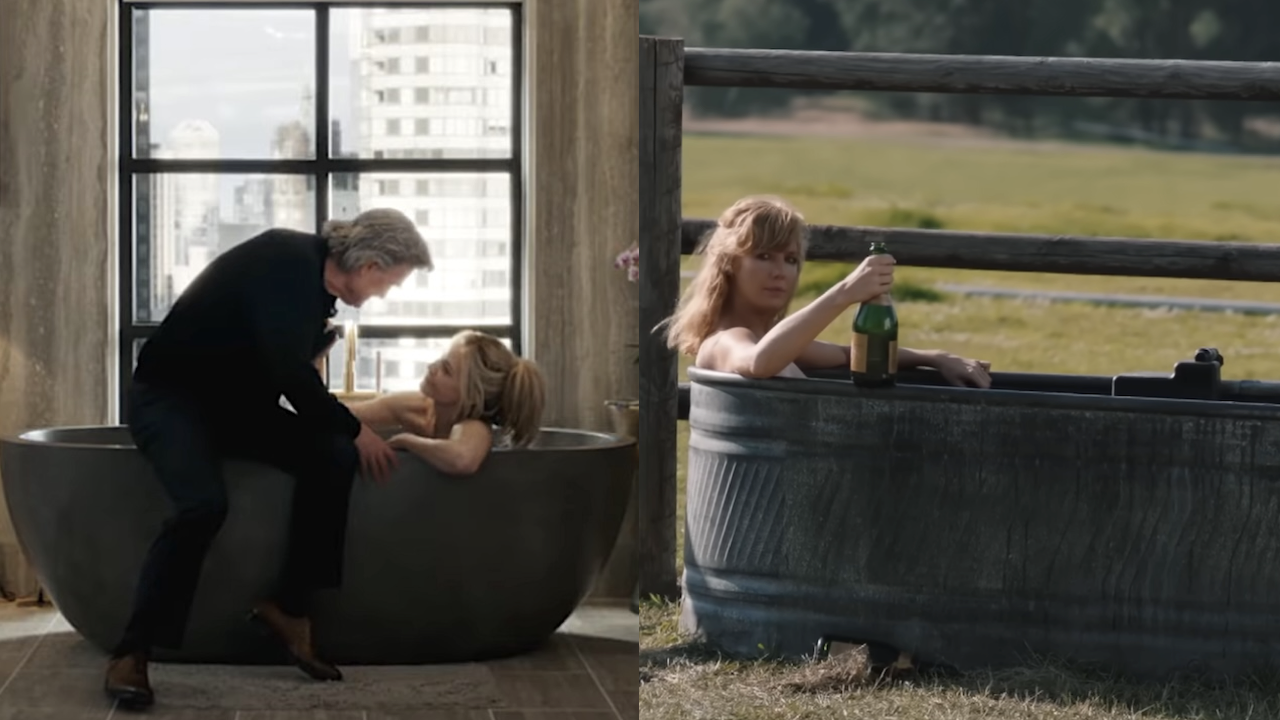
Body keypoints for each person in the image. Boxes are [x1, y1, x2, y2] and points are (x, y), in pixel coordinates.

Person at [104, 208, 433, 710]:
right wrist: (358, 427)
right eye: (388, 282)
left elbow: (283, 370)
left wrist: (342, 430)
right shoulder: (285, 258)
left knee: (331, 456)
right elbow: (287, 372)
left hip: (235, 409)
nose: (382, 294)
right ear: (368, 265)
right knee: (203, 505)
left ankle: (290, 608)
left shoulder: (319, 295)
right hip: (171, 398)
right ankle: (132, 650)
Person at [664, 195, 992, 386]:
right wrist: (844, 292)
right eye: (763, 256)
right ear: (728, 265)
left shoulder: (776, 343)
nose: (780, 272)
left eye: (791, 259)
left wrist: (935, 357)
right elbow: (760, 362)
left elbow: (849, 355)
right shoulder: (726, 341)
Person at [338, 330, 547, 474]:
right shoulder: (415, 406)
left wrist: (406, 441)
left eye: (446, 370)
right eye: (440, 359)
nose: (431, 367)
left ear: (469, 394)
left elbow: (462, 460)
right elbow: (340, 416)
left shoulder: (474, 426)